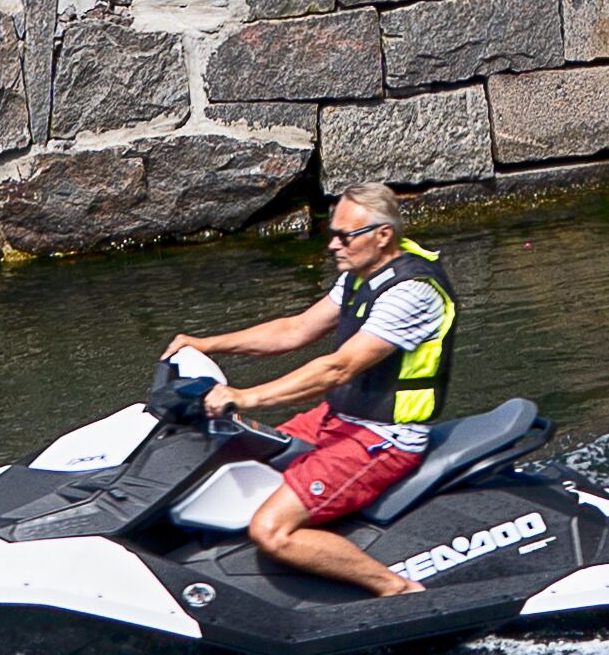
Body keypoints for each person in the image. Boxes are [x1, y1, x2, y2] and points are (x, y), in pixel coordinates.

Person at [163, 182, 456, 598]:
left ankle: (398, 591)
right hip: (337, 420)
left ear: (382, 235)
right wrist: (207, 344)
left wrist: (247, 396)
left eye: (344, 236)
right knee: (241, 454)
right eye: (331, 233)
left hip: (384, 438)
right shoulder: (360, 275)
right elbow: (296, 330)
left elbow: (338, 368)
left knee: (271, 530)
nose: (333, 245)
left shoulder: (412, 293)